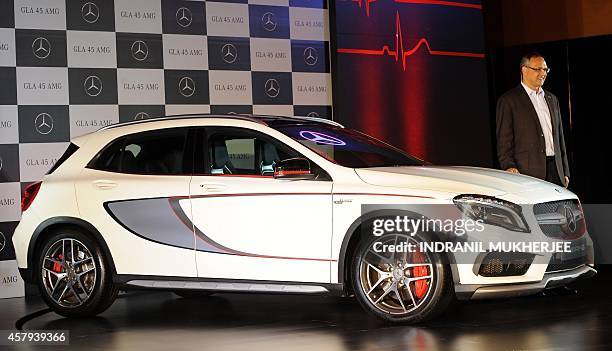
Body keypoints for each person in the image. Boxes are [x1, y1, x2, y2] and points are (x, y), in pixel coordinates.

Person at [496, 52, 570, 187]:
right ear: (524, 70)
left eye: (545, 69)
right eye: (538, 69)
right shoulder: (509, 100)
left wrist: (565, 170)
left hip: (556, 170)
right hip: (528, 172)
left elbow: (560, 138)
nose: (543, 73)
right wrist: (508, 166)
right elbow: (504, 140)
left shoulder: (552, 99)